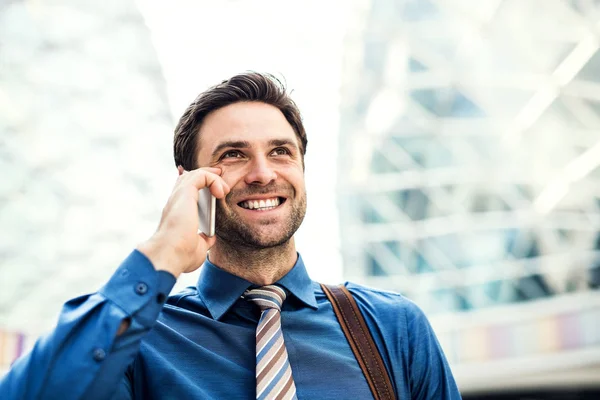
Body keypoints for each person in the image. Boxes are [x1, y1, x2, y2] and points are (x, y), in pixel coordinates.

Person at [0, 72, 461, 399]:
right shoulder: (139, 338)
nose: (263, 174)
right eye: (234, 155)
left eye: (281, 152)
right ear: (189, 182)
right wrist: (163, 251)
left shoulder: (393, 328)